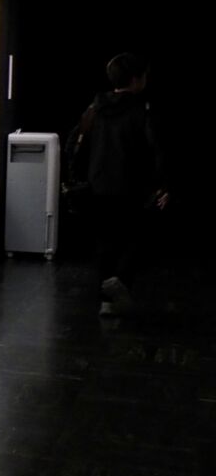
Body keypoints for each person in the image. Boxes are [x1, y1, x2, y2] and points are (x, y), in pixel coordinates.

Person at [71, 52, 167, 315]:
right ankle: (120, 280)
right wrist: (162, 183)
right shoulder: (143, 110)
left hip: (98, 184)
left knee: (105, 242)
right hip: (132, 186)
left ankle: (107, 301)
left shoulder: (95, 108)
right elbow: (156, 149)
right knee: (137, 237)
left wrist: (78, 177)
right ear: (136, 79)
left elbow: (76, 145)